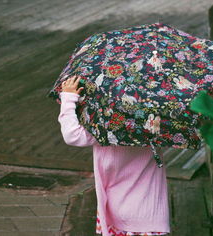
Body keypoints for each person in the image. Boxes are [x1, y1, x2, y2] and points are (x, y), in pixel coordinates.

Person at [58, 75, 171, 236]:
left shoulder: (105, 124)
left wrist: (68, 98)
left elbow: (72, 135)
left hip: (117, 211)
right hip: (151, 214)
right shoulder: (155, 122)